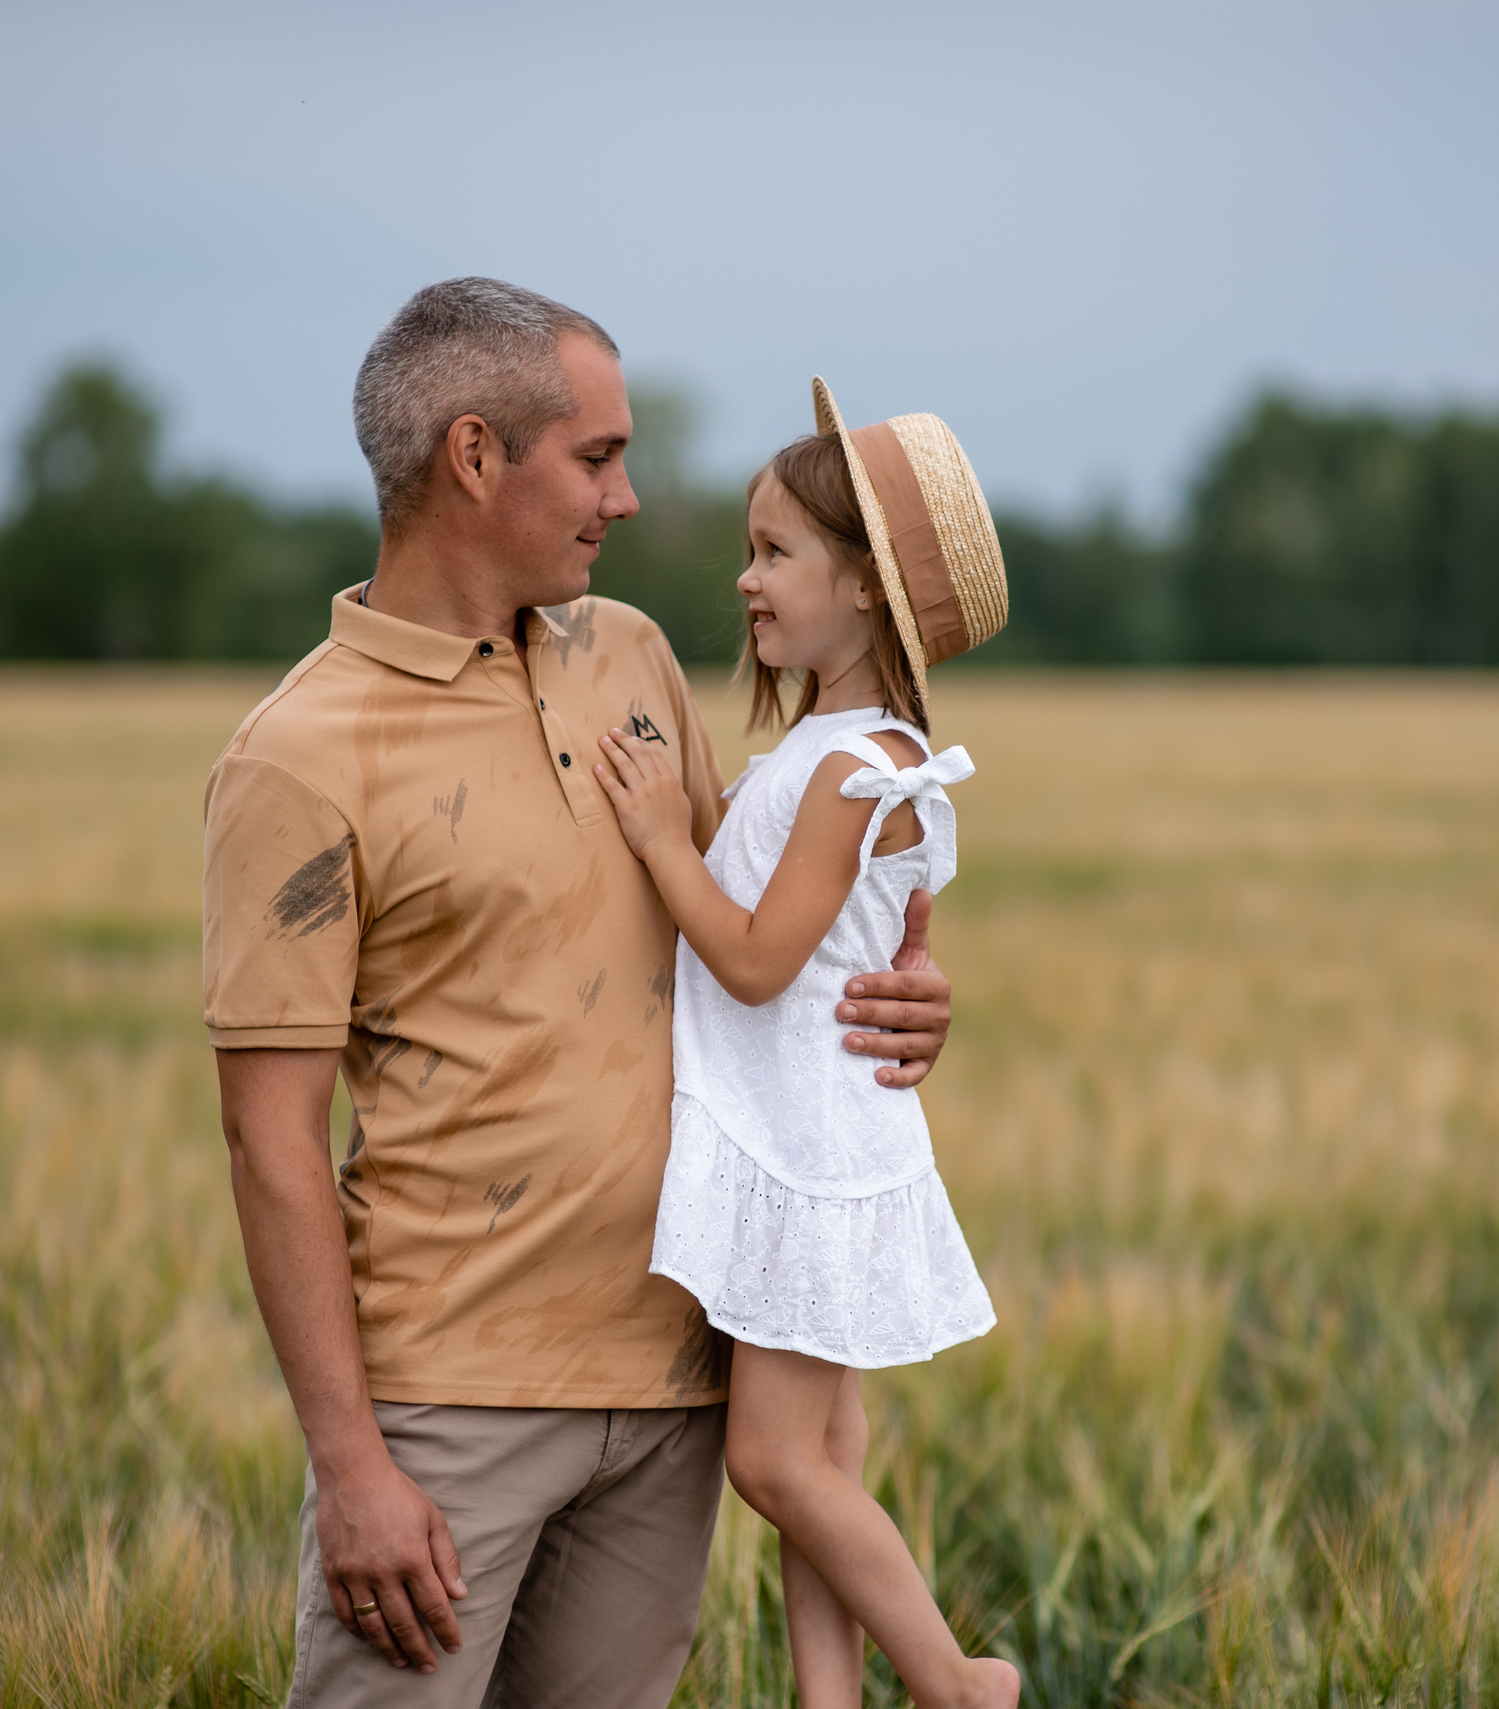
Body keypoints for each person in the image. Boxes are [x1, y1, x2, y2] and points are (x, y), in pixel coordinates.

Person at [202, 281, 957, 1709]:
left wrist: (913, 989)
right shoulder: (299, 755)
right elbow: (271, 1140)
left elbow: (774, 925)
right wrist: (352, 1463)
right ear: (475, 456)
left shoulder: (632, 657)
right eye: (598, 457)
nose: (626, 494)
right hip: (453, 1406)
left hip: (679, 1376)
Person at [589, 378, 1019, 1709]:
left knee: (774, 1467)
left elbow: (763, 958)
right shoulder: (861, 749)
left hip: (803, 1152)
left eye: (776, 552)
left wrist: (663, 838)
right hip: (829, 1137)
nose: (747, 579)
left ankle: (955, 1683)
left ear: (867, 592)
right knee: (819, 1465)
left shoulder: (850, 764)